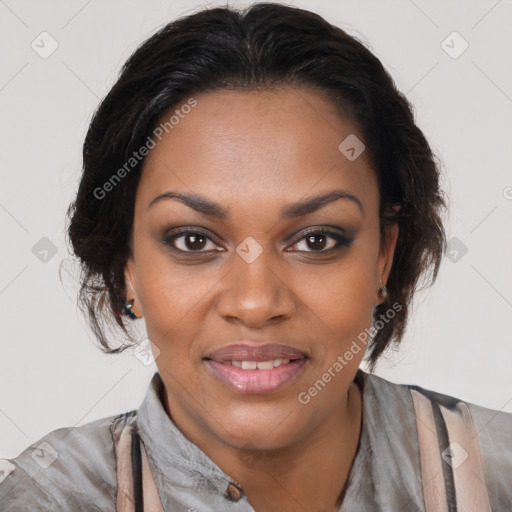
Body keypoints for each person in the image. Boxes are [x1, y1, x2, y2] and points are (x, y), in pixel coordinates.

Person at [1, 3, 510, 511]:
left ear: (383, 257)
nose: (255, 302)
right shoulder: (46, 499)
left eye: (316, 240)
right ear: (126, 268)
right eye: (193, 241)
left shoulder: (494, 474)